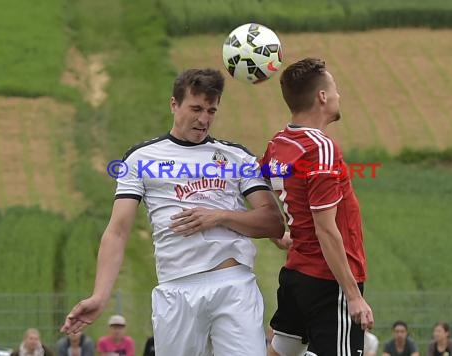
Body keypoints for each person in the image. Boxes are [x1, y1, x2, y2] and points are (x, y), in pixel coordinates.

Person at [60, 68, 285, 356]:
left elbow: (273, 222)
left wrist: (218, 216)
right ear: (174, 105)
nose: (203, 119)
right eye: (196, 108)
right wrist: (100, 296)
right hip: (177, 290)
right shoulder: (141, 159)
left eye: (211, 110)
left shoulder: (237, 157)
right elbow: (117, 231)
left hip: (233, 286)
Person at [259, 57, 374, 356]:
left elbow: (258, 188)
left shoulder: (279, 142)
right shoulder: (321, 147)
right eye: (334, 89)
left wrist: (277, 234)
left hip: (297, 275)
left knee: (282, 349)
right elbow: (326, 228)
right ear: (322, 96)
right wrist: (352, 296)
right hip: (328, 280)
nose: (339, 95)